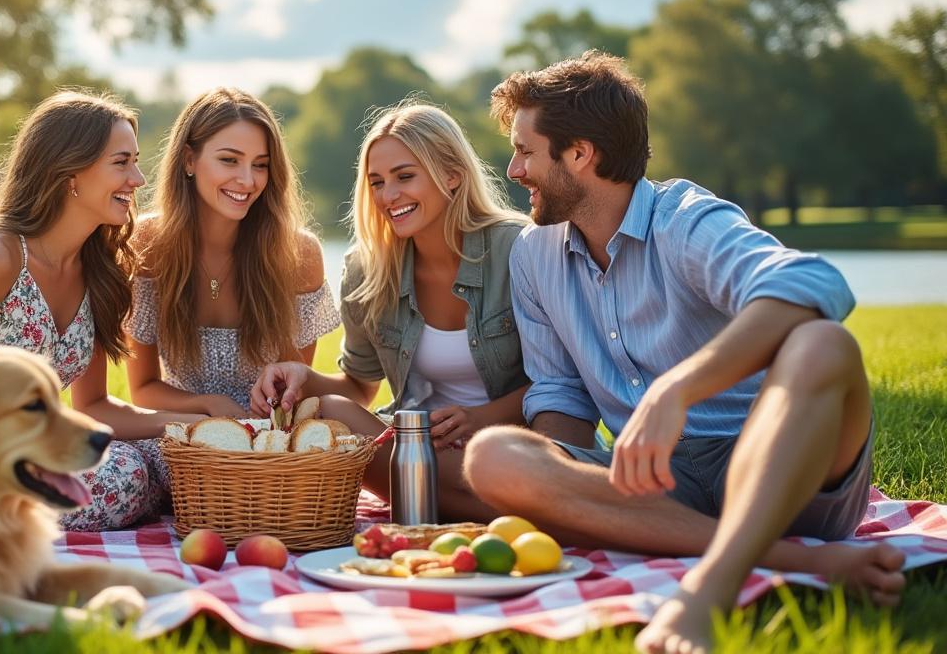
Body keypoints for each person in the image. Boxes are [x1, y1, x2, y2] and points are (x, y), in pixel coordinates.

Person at [464, 51, 906, 654]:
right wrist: (564, 472)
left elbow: (817, 284)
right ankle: (803, 562)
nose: (513, 170)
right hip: (659, 488)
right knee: (493, 456)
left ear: (579, 154)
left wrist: (678, 389)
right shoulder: (533, 255)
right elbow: (560, 393)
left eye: (524, 151)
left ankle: (707, 591)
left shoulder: (686, 220)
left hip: (780, 466)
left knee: (825, 342)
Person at [0, 90, 205, 531]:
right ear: (71, 172)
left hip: (31, 448)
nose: (139, 179)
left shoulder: (100, 273)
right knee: (125, 477)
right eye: (121, 163)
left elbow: (95, 407)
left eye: (136, 161)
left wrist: (193, 421)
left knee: (165, 461)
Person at [251, 101, 531, 522]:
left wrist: (480, 419)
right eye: (377, 182)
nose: (388, 196)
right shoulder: (367, 269)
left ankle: (450, 502)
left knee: (496, 464)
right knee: (328, 411)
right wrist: (303, 377)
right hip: (415, 448)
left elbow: (564, 381)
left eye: (405, 176)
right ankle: (503, 511)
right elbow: (360, 388)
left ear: (452, 175)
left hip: (506, 444)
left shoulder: (518, 249)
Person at [126, 87, 339, 429]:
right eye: (229, 160)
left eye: (261, 165)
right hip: (182, 433)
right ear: (188, 160)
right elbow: (142, 388)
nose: (247, 180)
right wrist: (208, 406)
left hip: (267, 439)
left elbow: (292, 392)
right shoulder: (148, 243)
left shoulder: (297, 253)